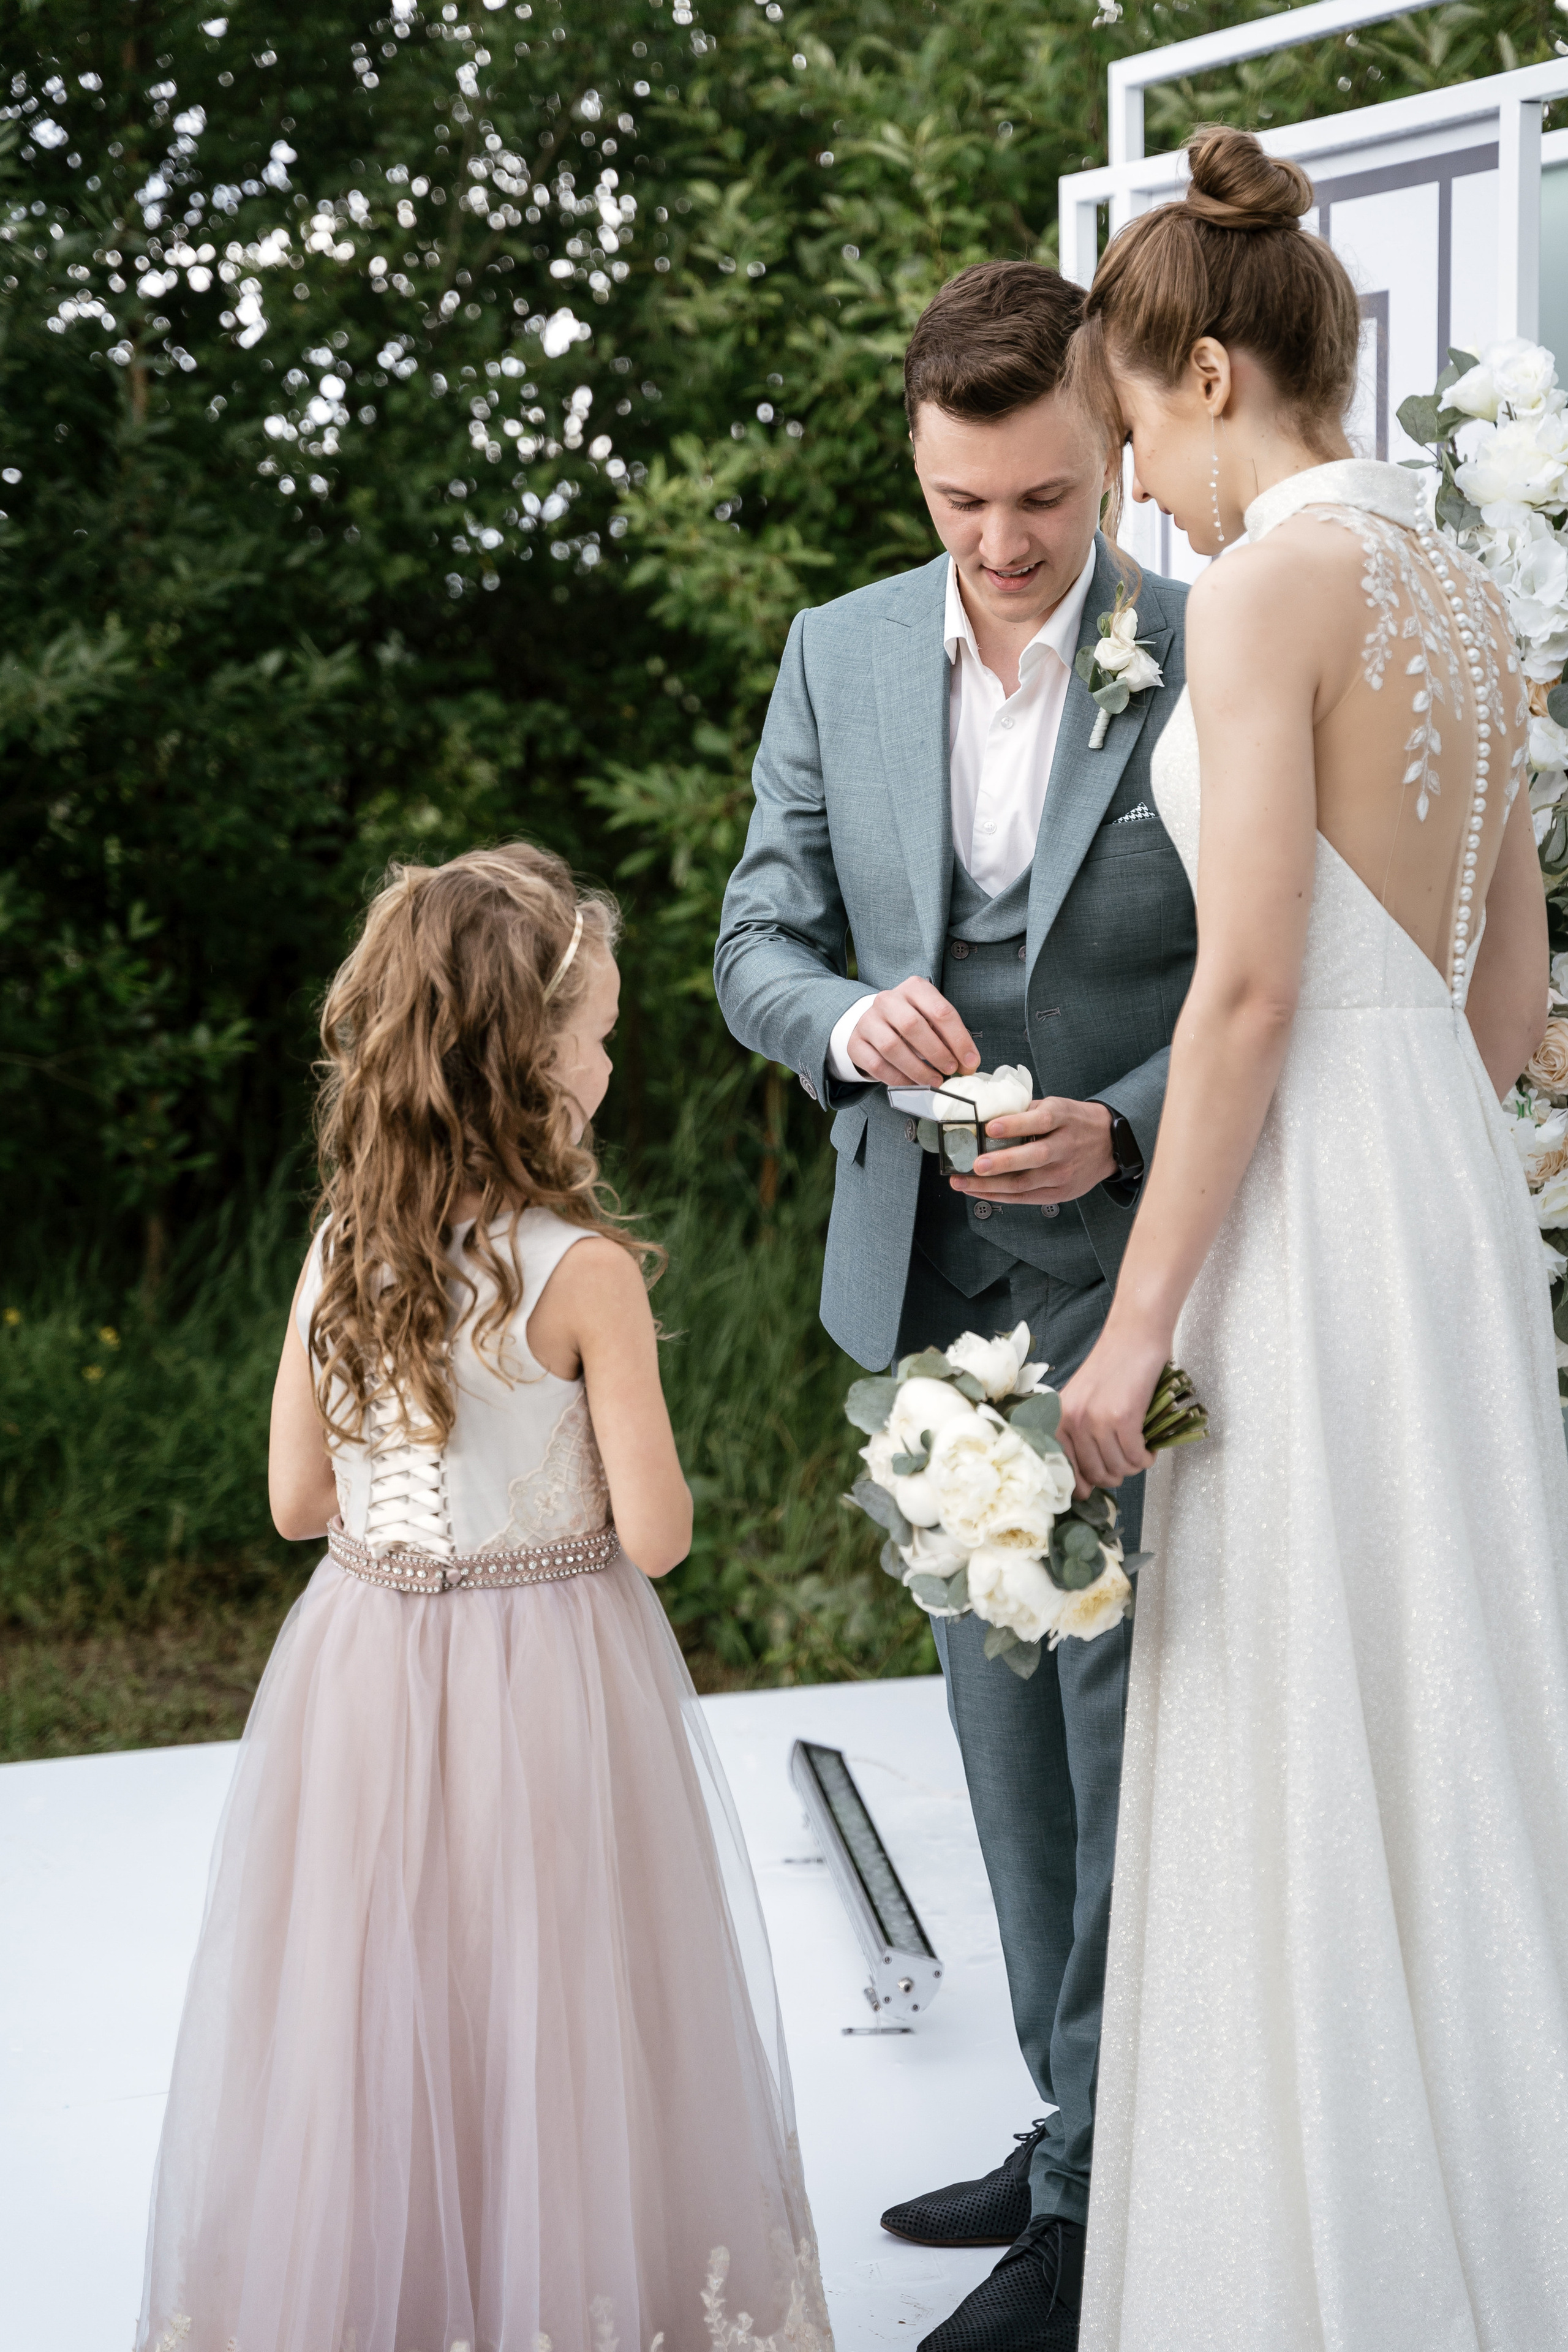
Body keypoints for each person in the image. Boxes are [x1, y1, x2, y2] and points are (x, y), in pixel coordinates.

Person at [1055, 127, 1568, 2351]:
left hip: (1313, 1199)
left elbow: (1249, 989)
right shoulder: (1461, 588)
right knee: (1453, 1699)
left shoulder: (1269, 590)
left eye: (1134, 438)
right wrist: (1431, 1163)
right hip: (1441, 1199)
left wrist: (1133, 1325)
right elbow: (1513, 998)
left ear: (1203, 376)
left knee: (1303, 1702)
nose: (1142, 494)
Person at [136, 845, 831, 2352]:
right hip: (551, 1669)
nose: (610, 1059)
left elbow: (295, 1504)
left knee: (378, 1988)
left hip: (363, 1659)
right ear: (530, 1064)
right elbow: (658, 1536)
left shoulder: (339, 1249)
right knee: (556, 1985)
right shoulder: (585, 1272)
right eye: (598, 1033)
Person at [715, 261, 1195, 2352]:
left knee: (1123, 1736)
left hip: (1140, 1285)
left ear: (1117, 457)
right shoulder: (835, 654)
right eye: (958, 503)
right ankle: (1069, 2124)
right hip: (922, 1286)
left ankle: (1101, 2208)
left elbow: (1277, 983)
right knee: (1002, 1735)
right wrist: (841, 1022)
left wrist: (1126, 1126)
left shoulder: (1209, 653)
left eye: (1044, 501)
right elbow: (755, 935)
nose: (1002, 545)